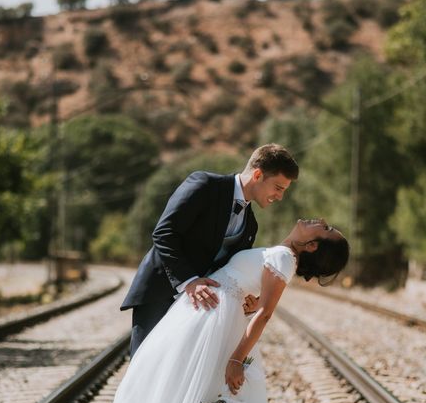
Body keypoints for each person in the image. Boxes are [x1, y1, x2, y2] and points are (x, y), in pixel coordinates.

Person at [92, 219, 386, 403]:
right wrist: (252, 300)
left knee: (172, 388)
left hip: (211, 317)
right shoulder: (281, 255)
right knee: (171, 388)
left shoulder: (283, 257)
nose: (320, 221)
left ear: (312, 245)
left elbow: (266, 313)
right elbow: (258, 298)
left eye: (326, 228)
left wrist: (236, 359)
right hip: (208, 313)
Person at [121, 144, 299, 356]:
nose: (279, 196)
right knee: (144, 366)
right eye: (278, 188)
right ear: (258, 175)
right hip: (161, 291)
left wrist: (247, 297)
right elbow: (164, 233)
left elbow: (231, 268)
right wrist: (189, 281)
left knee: (176, 372)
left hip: (197, 308)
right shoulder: (205, 184)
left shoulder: (251, 225)